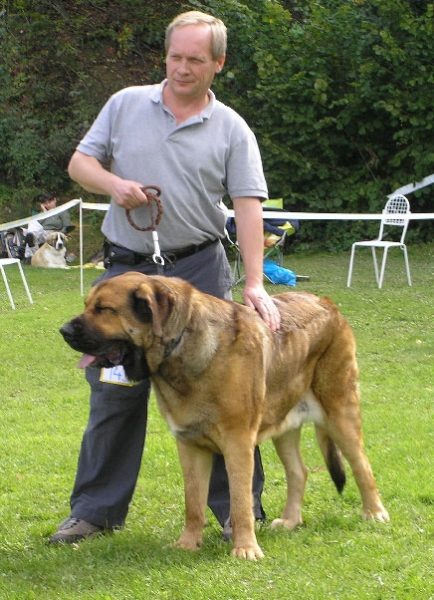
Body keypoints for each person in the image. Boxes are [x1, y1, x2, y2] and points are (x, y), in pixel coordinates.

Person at [49, 10, 281, 544]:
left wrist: (253, 282)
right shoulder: (126, 103)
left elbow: (248, 208)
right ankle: (94, 511)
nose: (181, 68)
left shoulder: (232, 128)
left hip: (197, 269)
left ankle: (238, 514)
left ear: (217, 64)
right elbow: (79, 165)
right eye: (175, 56)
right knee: (113, 392)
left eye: (195, 59)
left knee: (228, 394)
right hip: (125, 272)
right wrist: (114, 184)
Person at [24, 192, 74, 260]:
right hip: (42, 232)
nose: (48, 205)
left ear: (54, 200)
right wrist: (45, 212)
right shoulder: (42, 214)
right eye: (45, 203)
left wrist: (60, 234)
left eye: (50, 202)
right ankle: (32, 256)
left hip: (55, 233)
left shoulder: (62, 211)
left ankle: (33, 257)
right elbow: (38, 224)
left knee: (36, 235)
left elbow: (67, 225)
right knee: (32, 235)